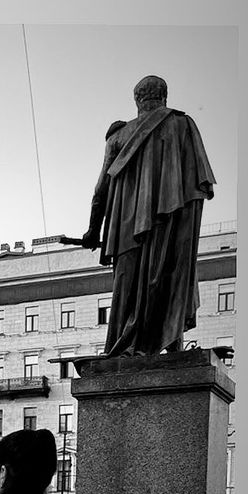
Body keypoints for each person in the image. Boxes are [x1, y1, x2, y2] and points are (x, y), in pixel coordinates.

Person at [82, 75, 215, 358]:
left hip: (126, 231)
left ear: (137, 100)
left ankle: (124, 347)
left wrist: (93, 232)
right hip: (171, 225)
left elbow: (100, 191)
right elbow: (196, 187)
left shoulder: (118, 137)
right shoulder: (184, 124)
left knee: (126, 289)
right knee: (168, 276)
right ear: (164, 96)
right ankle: (170, 342)